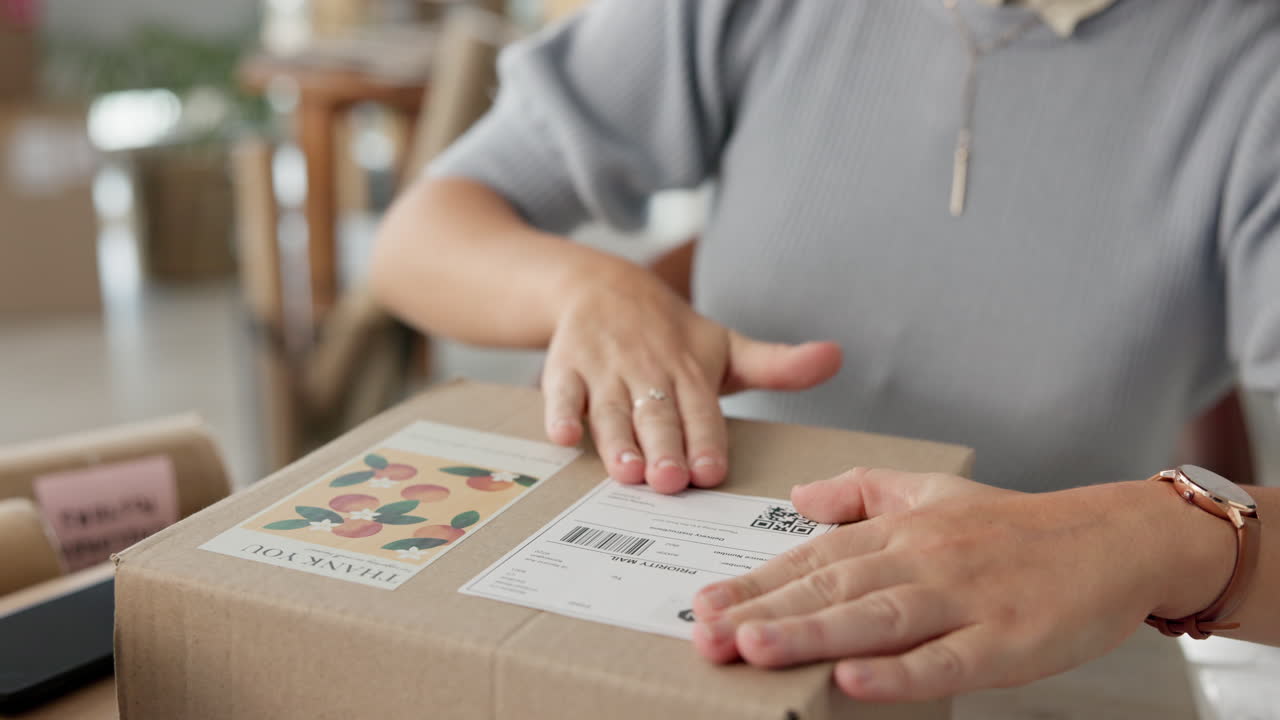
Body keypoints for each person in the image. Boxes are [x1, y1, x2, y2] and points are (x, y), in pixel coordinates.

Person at [371, 0, 1280, 702]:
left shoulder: (1250, 63)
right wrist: (589, 291)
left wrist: (1143, 538)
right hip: (716, 649)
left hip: (1064, 685)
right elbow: (417, 239)